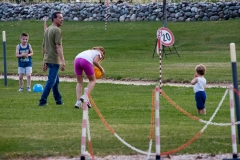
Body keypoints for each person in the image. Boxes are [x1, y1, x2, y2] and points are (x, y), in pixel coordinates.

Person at [38, 11, 66, 106]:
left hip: (48, 59)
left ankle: (59, 100)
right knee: (51, 81)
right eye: (60, 18)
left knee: (55, 81)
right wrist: (62, 60)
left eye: (62, 17)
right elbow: (58, 46)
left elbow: (43, 46)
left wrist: (44, 60)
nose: (62, 19)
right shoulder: (57, 30)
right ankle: (42, 101)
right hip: (54, 60)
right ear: (54, 19)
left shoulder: (48, 29)